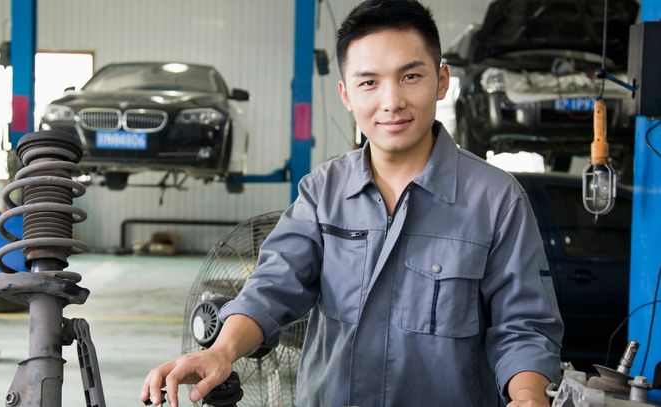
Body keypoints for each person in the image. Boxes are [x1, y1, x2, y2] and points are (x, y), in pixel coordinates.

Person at [141, 1, 564, 406]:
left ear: (442, 80)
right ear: (346, 94)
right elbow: (272, 287)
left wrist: (526, 396)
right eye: (369, 82)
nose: (391, 101)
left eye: (410, 77)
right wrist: (222, 351)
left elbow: (523, 327)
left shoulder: (496, 199)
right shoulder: (322, 192)